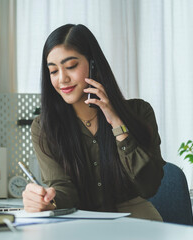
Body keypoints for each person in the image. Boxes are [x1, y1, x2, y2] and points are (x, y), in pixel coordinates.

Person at [22, 24, 166, 221]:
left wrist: (116, 122)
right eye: (53, 71)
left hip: (136, 220)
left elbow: (149, 185)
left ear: (93, 64)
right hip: (79, 222)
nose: (62, 79)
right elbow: (63, 188)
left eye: (71, 66)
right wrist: (48, 200)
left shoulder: (139, 112)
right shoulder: (45, 127)